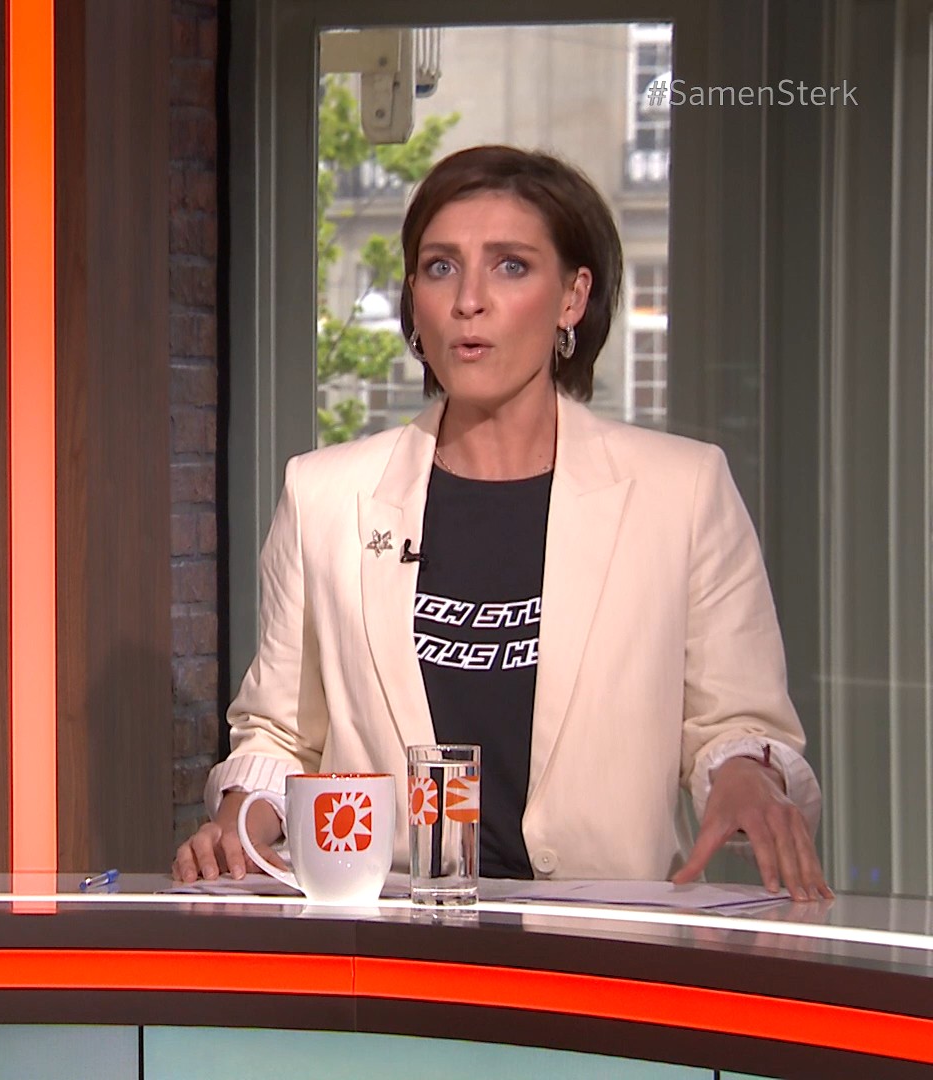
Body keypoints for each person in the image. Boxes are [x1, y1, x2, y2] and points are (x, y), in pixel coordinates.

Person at [174, 145, 829, 899]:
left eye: (511, 266)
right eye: (440, 267)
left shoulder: (682, 491)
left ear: (573, 296)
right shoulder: (324, 496)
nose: (469, 301)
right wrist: (240, 820)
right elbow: (281, 734)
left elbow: (738, 725)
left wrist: (747, 776)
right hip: (389, 934)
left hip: (604, 938)